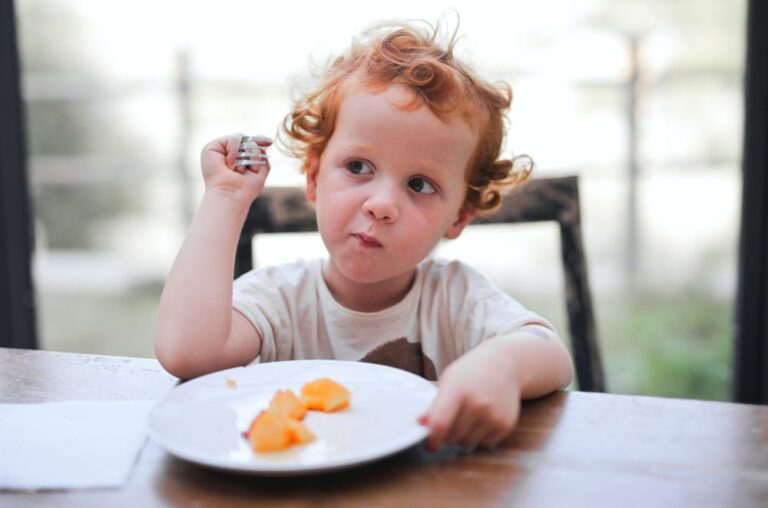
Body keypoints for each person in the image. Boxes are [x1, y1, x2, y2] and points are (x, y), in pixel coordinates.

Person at [155, 20, 574, 451]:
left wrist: (502, 365)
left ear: (459, 215)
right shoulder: (281, 298)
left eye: (419, 185)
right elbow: (187, 352)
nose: (382, 204)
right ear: (315, 178)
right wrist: (225, 197)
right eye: (358, 168)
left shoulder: (455, 298)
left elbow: (551, 354)